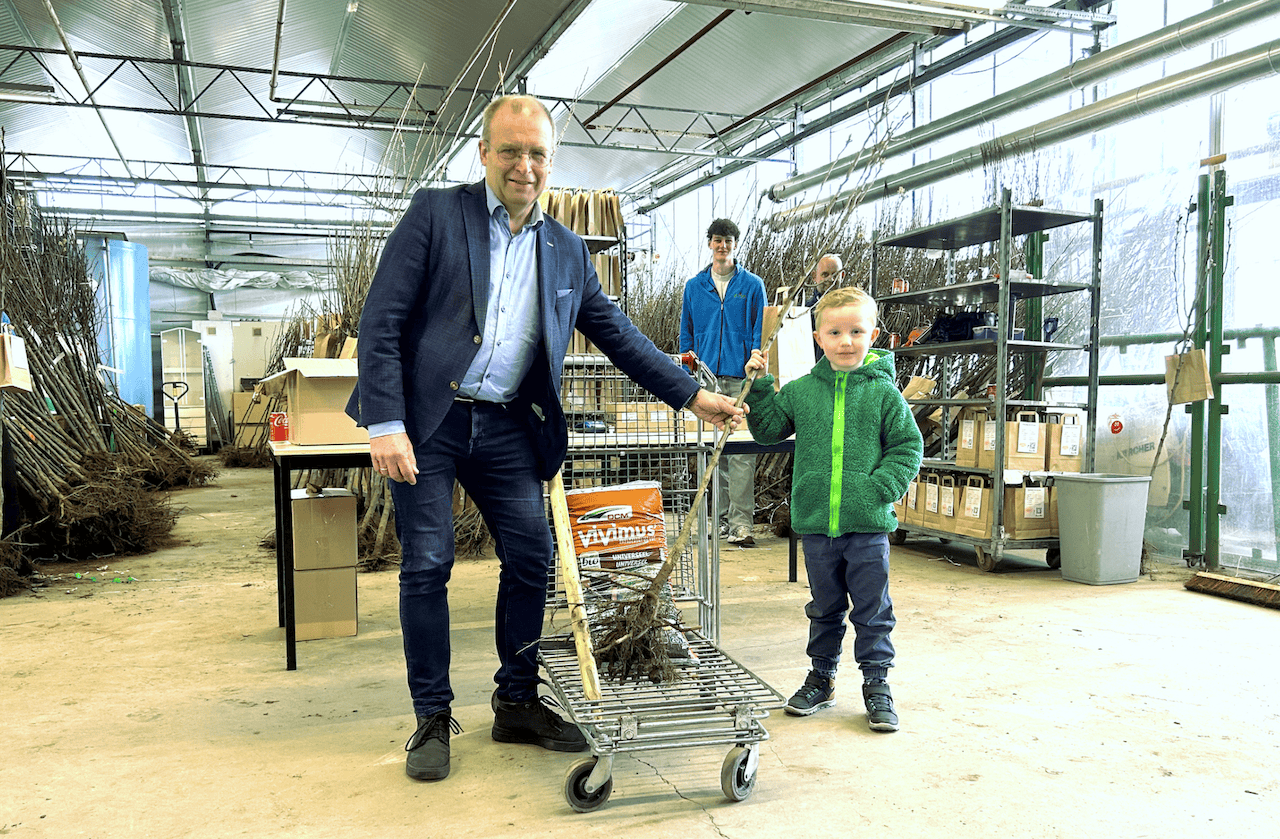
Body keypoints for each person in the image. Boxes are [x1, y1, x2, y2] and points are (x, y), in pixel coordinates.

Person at [346, 94, 745, 782]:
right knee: (428, 562)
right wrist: (386, 423)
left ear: (551, 162)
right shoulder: (436, 215)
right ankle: (433, 717)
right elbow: (381, 320)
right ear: (484, 153)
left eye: (537, 154)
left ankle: (516, 701)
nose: (524, 166)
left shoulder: (565, 249)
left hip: (504, 422)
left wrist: (695, 395)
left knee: (532, 556)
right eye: (511, 151)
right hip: (428, 420)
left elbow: (617, 335)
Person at [742, 285, 922, 732]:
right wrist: (759, 386)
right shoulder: (803, 390)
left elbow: (908, 446)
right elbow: (767, 430)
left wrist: (879, 488)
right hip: (818, 525)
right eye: (835, 332)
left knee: (872, 608)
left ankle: (877, 684)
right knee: (824, 607)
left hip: (867, 526)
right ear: (818, 338)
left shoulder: (885, 394)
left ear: (873, 335)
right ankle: (821, 678)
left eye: (856, 331)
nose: (846, 341)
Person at [679, 218, 767, 547]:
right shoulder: (694, 286)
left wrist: (755, 362)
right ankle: (723, 521)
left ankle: (742, 525)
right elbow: (686, 331)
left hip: (741, 378)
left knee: (742, 453)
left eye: (728, 240)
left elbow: (761, 331)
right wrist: (688, 371)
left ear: (735, 244)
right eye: (717, 240)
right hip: (706, 379)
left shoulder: (752, 285)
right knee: (715, 452)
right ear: (710, 243)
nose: (722, 246)